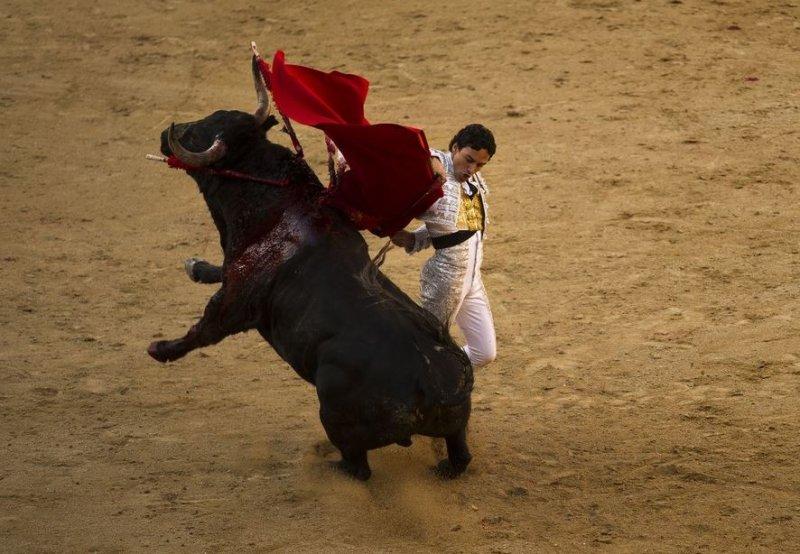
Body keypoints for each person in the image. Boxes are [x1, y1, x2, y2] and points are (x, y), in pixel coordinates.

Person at [391, 124, 497, 368]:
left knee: (484, 352)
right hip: (445, 280)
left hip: (472, 280)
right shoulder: (435, 171)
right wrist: (432, 157)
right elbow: (414, 151)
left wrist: (414, 239)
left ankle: (443, 378)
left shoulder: (472, 179)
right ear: (455, 148)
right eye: (468, 160)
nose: (471, 170)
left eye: (480, 165)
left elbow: (453, 227)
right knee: (425, 346)